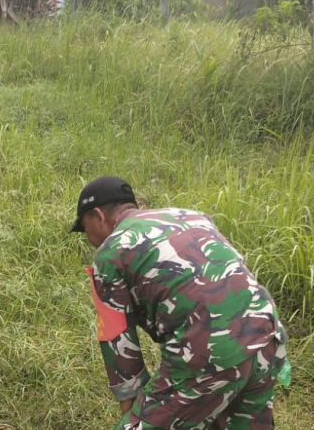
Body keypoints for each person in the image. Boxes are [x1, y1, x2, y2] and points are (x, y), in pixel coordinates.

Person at [69, 176, 288, 430]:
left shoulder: (110, 252)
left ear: (98, 216)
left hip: (210, 349)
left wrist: (138, 415)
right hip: (267, 335)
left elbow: (117, 340)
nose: (88, 237)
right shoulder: (192, 216)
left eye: (85, 228)